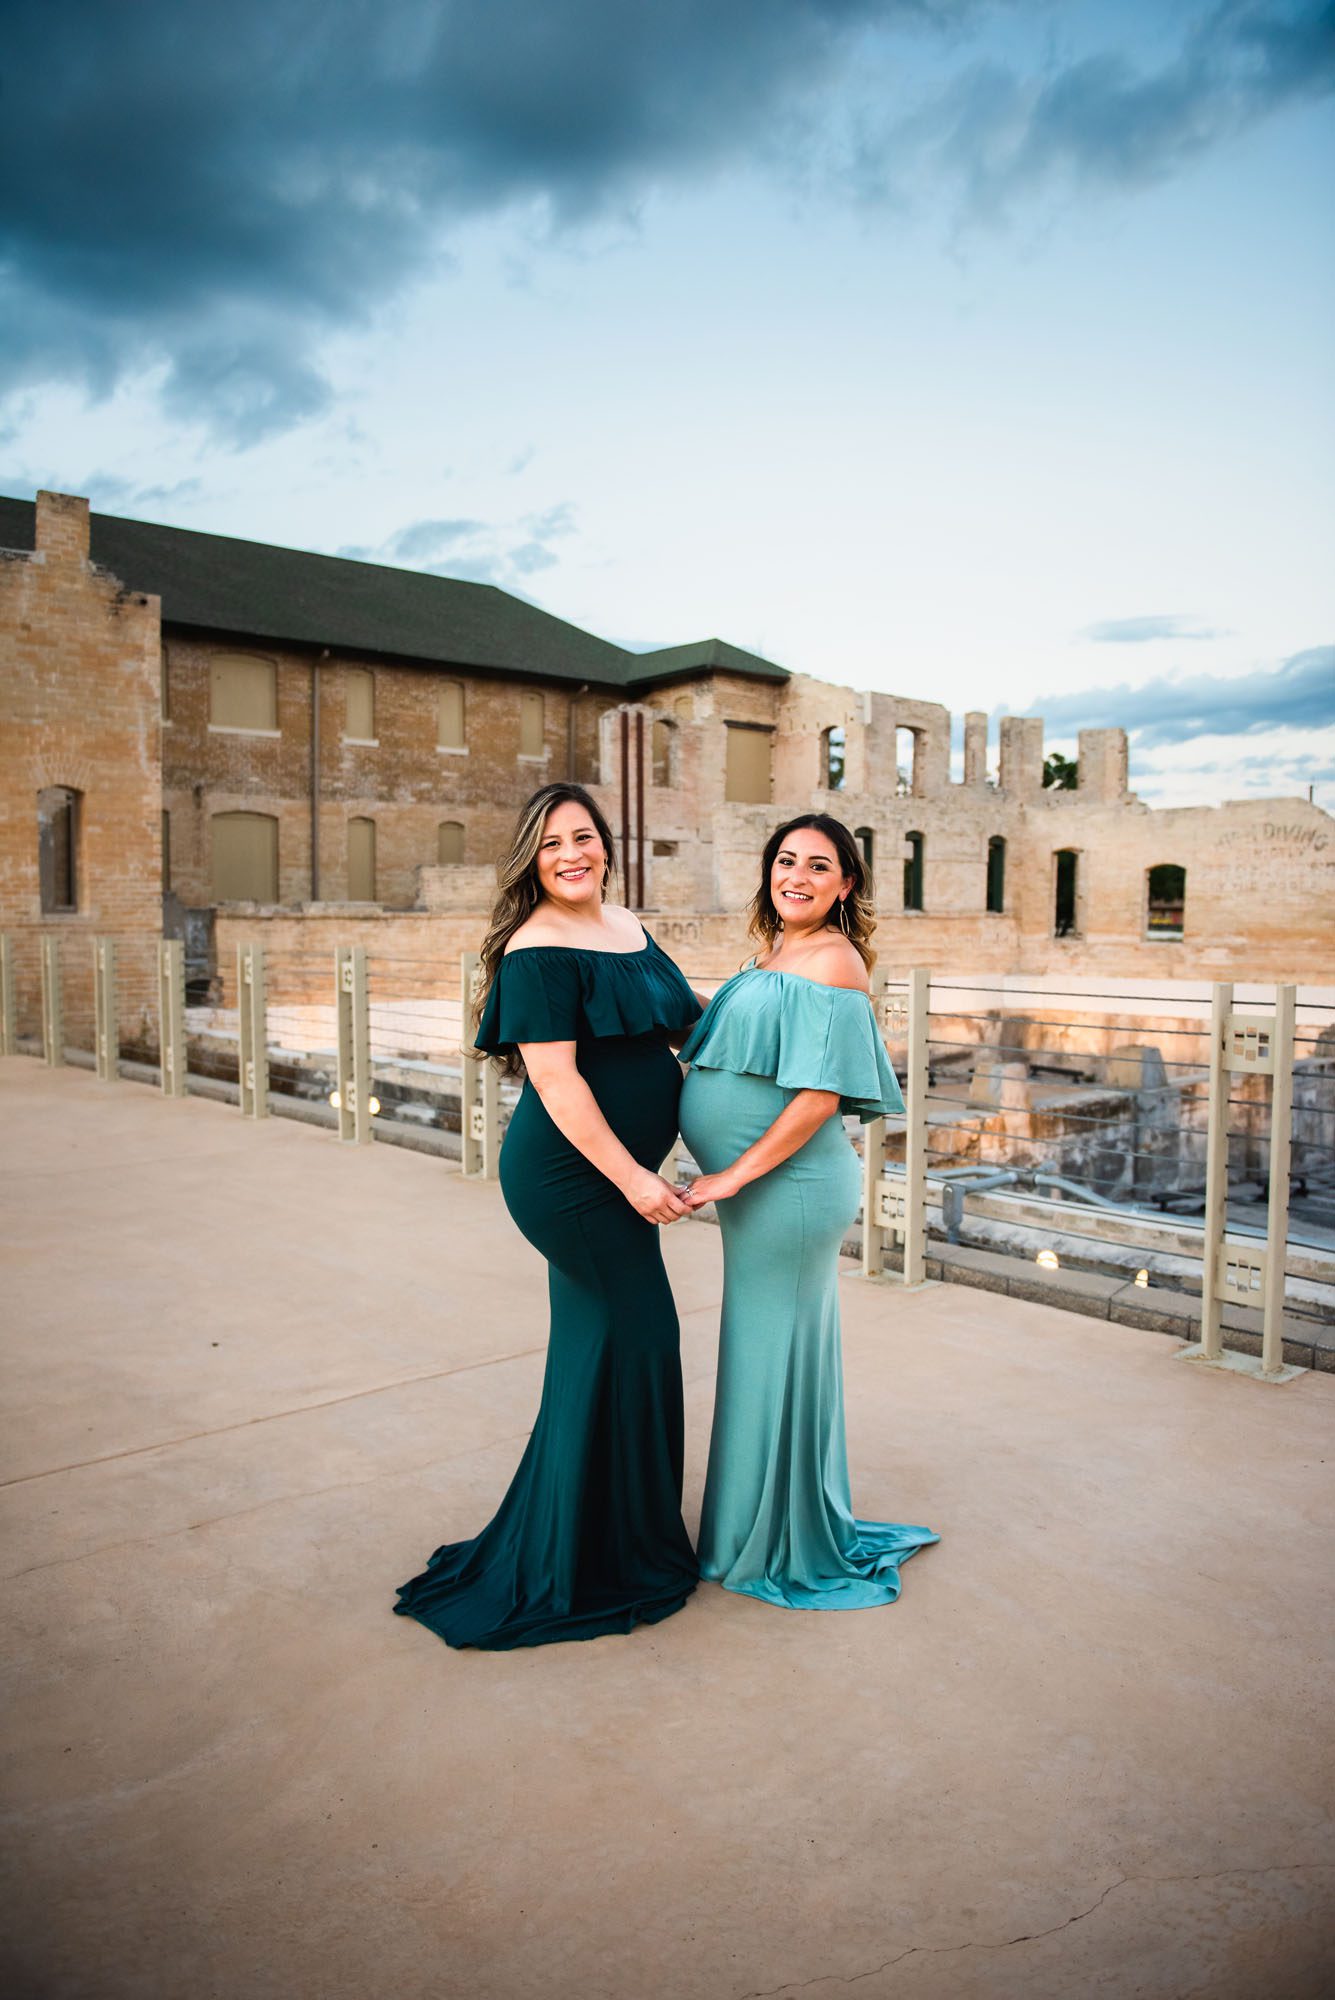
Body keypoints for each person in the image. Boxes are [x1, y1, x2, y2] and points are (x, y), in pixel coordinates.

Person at [394, 783, 702, 1649]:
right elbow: (558, 1084)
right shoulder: (535, 948)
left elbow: (688, 1026)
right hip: (572, 1179)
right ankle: (608, 1554)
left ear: (606, 844)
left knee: (597, 1348)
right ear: (532, 860)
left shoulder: (629, 928)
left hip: (614, 1177)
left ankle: (588, 1539)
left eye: (583, 837)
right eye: (550, 844)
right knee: (642, 1338)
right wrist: (638, 1181)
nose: (571, 854)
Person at [678, 813, 939, 1608]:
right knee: (761, 1352)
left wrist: (728, 1177)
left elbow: (817, 1098)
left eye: (817, 866)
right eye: (784, 861)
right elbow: (731, 1038)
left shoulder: (834, 961)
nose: (795, 876)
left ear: (845, 884)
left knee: (769, 1355)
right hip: (761, 1189)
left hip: (789, 1190)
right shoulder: (773, 953)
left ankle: (776, 1540)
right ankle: (749, 1528)